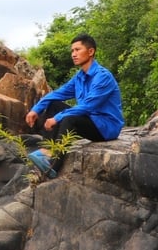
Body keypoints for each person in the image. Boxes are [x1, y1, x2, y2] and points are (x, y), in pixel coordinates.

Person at [25, 33, 124, 177]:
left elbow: (87, 106)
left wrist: (56, 118)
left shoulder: (103, 77)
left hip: (106, 128)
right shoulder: (79, 77)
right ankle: (47, 151)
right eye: (72, 51)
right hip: (89, 120)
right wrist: (35, 110)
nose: (73, 54)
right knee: (53, 104)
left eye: (78, 50)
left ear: (90, 52)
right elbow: (56, 94)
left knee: (68, 118)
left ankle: (53, 165)